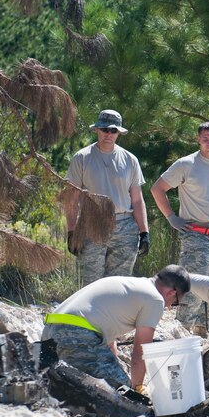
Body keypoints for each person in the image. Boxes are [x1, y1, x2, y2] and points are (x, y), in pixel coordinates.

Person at [151, 121, 209, 336]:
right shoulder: (186, 164)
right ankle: (182, 331)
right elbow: (157, 189)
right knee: (190, 286)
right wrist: (171, 217)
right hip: (195, 235)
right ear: (198, 140)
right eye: (205, 139)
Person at [41, 265, 191, 390]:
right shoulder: (155, 299)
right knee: (121, 390)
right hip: (74, 334)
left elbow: (103, 323)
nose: (171, 306)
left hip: (50, 330)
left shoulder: (130, 284)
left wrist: (111, 360)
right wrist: (137, 388)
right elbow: (140, 353)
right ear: (172, 293)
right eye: (175, 302)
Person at [66, 109, 150, 287]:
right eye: (105, 129)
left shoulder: (130, 160)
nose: (109, 134)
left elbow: (137, 200)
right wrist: (72, 232)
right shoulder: (81, 158)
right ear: (96, 129)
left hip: (125, 227)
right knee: (91, 285)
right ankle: (88, 316)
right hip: (92, 225)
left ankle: (114, 316)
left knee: (118, 286)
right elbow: (71, 199)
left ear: (119, 133)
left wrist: (144, 232)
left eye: (114, 131)